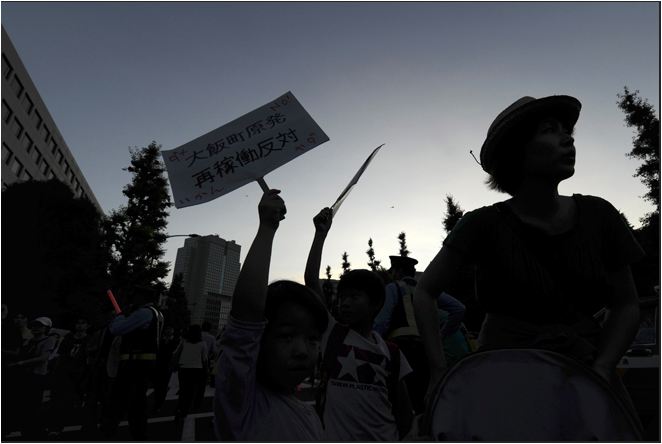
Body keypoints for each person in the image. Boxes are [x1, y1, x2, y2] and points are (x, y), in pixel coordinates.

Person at [413, 95, 644, 407]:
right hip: (502, 381)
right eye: (549, 130)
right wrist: (438, 371)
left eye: (568, 132)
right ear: (516, 151)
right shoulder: (481, 224)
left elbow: (626, 304)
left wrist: (603, 366)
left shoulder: (600, 215)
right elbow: (425, 291)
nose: (568, 139)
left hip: (584, 376)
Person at [214, 189, 328, 441]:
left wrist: (320, 235)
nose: (302, 351)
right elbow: (246, 315)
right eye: (286, 336)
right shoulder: (242, 404)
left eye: (312, 339)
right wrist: (267, 227)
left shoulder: (310, 417)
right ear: (258, 341)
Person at [305, 207, 414, 440]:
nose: (345, 303)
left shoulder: (392, 353)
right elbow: (311, 281)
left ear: (376, 304)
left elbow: (404, 412)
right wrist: (320, 235)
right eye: (342, 297)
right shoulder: (333, 333)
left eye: (354, 297)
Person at [373, 254, 467, 414]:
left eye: (392, 271)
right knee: (423, 401)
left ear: (398, 272)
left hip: (400, 349)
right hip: (425, 351)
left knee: (399, 402)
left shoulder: (393, 288)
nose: (391, 274)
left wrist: (374, 343)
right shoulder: (426, 291)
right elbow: (459, 309)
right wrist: (440, 336)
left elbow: (382, 321)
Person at [103, 288, 164, 440]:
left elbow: (117, 328)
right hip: (143, 364)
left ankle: (112, 433)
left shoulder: (144, 313)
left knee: (122, 401)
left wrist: (119, 317)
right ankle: (138, 435)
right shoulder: (157, 314)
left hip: (134, 364)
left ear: (142, 297)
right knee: (136, 402)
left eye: (135, 296)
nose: (132, 300)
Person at [7, 316, 58, 439]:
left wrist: (21, 363)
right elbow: (20, 353)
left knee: (34, 403)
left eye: (39, 326)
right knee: (24, 403)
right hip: (26, 375)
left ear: (46, 328)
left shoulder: (48, 340)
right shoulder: (29, 341)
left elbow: (43, 357)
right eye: (34, 326)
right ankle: (27, 428)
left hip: (37, 375)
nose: (35, 328)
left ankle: (35, 430)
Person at [48, 317, 93, 436]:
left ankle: (82, 426)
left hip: (80, 373)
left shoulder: (89, 339)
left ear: (87, 325)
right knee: (60, 400)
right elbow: (61, 354)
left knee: (77, 400)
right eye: (78, 323)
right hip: (65, 372)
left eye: (82, 323)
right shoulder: (68, 338)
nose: (79, 325)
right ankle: (57, 426)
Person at [152, 325, 177, 413]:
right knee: (159, 385)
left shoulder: (172, 341)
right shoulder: (163, 341)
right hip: (162, 365)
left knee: (162, 386)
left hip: (165, 366)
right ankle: (158, 403)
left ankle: (158, 404)